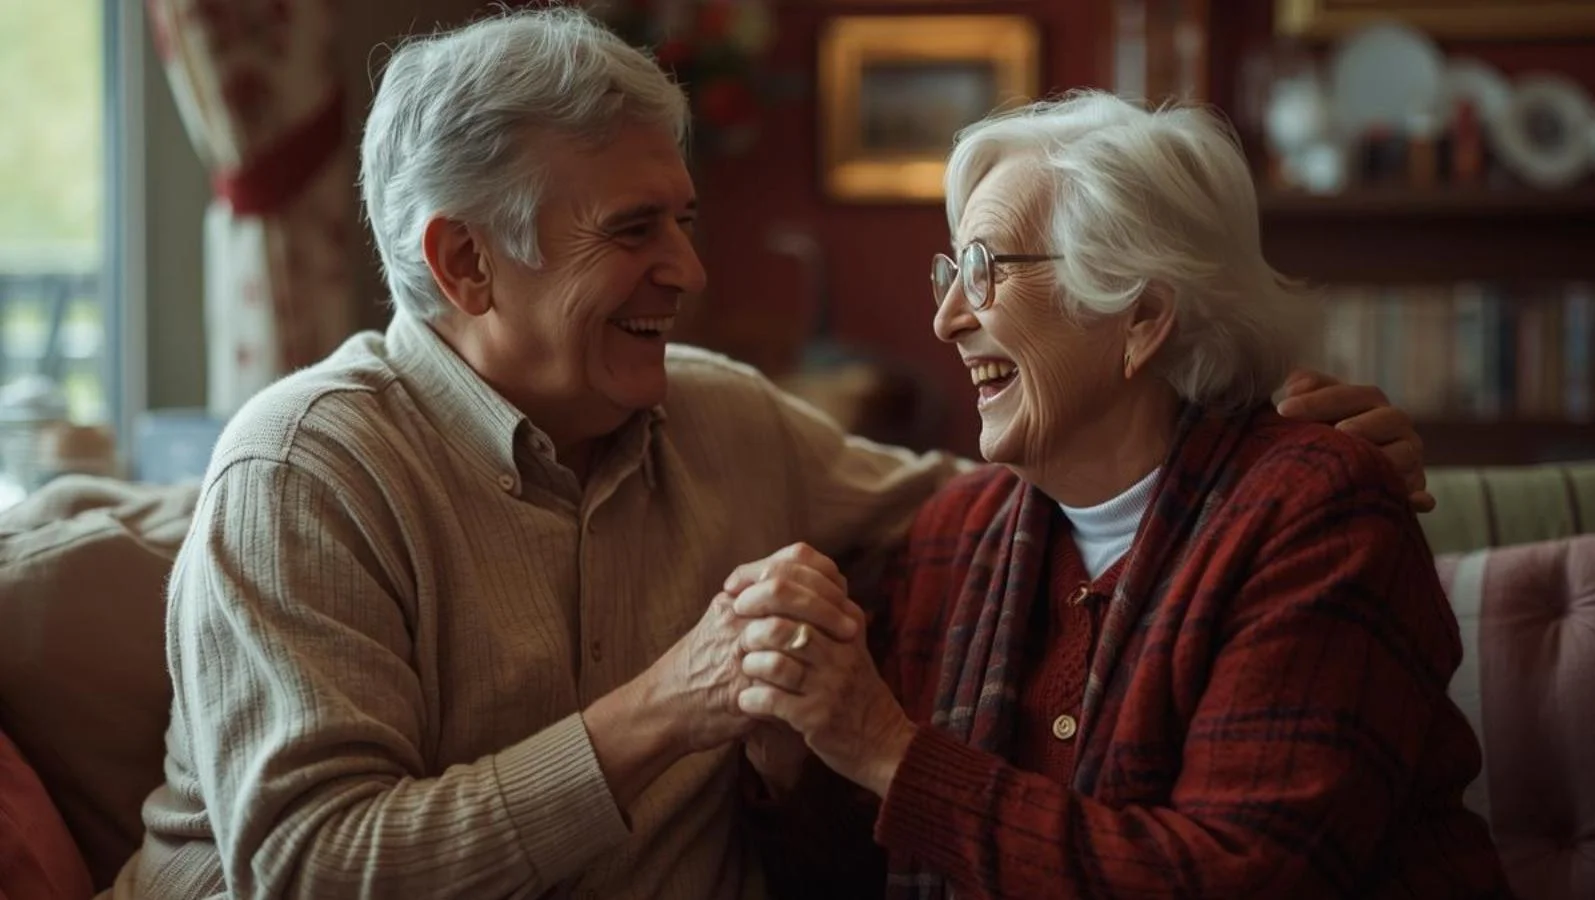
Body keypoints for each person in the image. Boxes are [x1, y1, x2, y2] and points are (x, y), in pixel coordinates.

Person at [111, 10, 1434, 899]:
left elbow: (1025, 507)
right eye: (633, 232)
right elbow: (311, 870)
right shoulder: (302, 472)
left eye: (681, 220)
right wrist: (671, 707)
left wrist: (1266, 423)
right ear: (463, 261)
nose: (688, 270)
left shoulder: (726, 419)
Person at [734, 92, 1510, 899]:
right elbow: (867, 868)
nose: (946, 318)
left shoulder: (1316, 516)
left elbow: (1241, 879)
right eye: (950, 270)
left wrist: (888, 750)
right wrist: (793, 757)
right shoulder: (954, 534)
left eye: (984, 270)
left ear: (1139, 317)